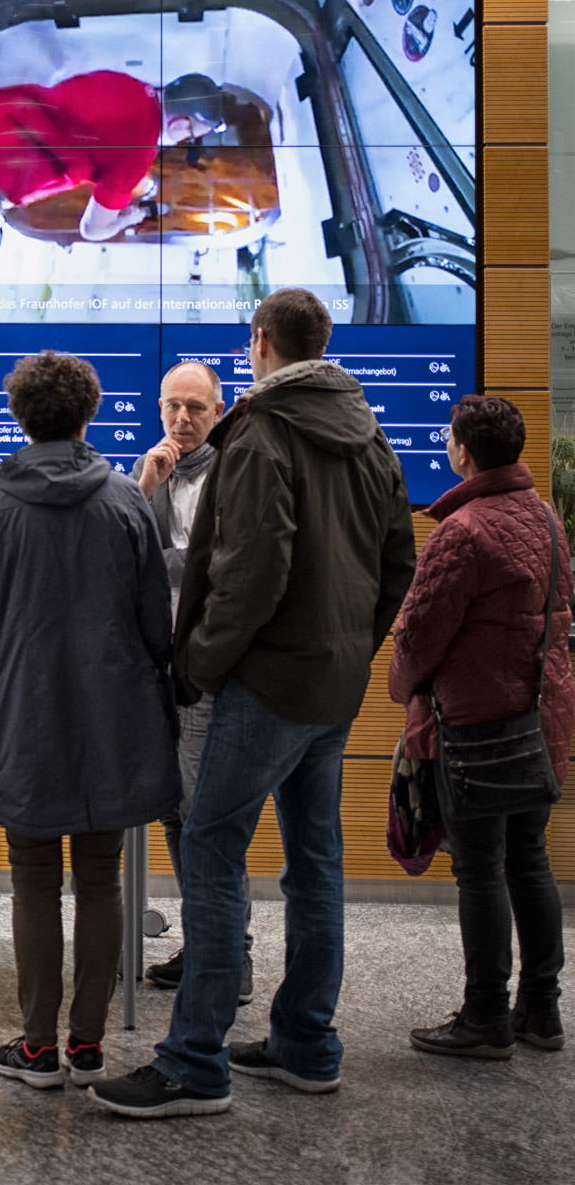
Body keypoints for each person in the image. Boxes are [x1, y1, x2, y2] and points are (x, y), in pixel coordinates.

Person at [92, 288, 416, 1119]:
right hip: (330, 686)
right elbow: (396, 564)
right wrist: (353, 646)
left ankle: (193, 1059)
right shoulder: (367, 431)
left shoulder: (264, 434)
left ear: (259, 342)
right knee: (314, 861)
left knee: (208, 845)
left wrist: (196, 664)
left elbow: (251, 573)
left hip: (266, 682)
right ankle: (306, 1043)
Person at [0, 351, 180, 1089]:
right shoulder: (123, 502)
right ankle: (88, 1045)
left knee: (32, 879)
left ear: (19, 415)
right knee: (103, 878)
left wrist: (1, 686)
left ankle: (38, 1049)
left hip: (25, 721)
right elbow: (155, 622)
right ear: (89, 413)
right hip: (114, 718)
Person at [389, 394, 574, 1057]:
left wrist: (398, 687)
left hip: (476, 727)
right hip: (539, 724)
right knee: (530, 860)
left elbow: (418, 634)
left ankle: (484, 1018)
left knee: (478, 869)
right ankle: (540, 1012)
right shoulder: (546, 518)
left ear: (462, 451)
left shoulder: (461, 532)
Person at [0, 72, 226, 319]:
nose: (186, 142)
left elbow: (81, 126)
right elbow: (93, 229)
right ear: (179, 125)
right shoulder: (139, 147)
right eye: (192, 135)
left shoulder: (126, 83)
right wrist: (132, 216)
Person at [130, 361, 254, 1002]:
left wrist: (167, 562)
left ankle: (231, 958)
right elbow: (124, 560)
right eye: (172, 407)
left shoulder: (237, 473)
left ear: (218, 409)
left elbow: (218, 566)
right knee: (176, 812)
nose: (182, 419)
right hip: (157, 670)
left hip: (209, 668)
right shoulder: (151, 471)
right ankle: (209, 945)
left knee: (207, 819)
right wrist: (143, 485)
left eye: (196, 409)